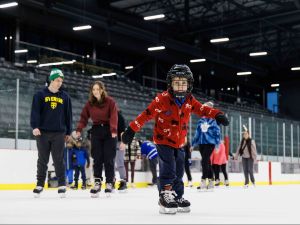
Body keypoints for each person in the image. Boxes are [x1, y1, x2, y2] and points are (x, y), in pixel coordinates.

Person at [122, 64, 229, 214]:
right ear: (170, 84)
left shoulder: (189, 100)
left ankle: (177, 196)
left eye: (183, 83)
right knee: (169, 168)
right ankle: (165, 195)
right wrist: (132, 129)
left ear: (189, 84)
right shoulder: (162, 99)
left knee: (179, 170)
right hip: (163, 140)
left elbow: (202, 109)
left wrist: (217, 114)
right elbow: (146, 114)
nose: (180, 86)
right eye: (177, 82)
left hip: (180, 143)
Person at [30, 68, 73, 198]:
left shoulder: (65, 97)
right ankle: (39, 184)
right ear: (51, 80)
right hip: (42, 132)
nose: (60, 83)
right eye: (57, 80)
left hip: (59, 133)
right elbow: (35, 112)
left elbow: (68, 116)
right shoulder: (40, 95)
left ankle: (61, 185)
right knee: (42, 159)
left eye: (61, 81)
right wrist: (35, 126)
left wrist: (68, 131)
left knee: (59, 159)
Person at [76, 80, 118, 197]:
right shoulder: (90, 104)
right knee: (97, 157)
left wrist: (114, 129)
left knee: (109, 158)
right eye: (93, 89)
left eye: (98, 89)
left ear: (102, 90)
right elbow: (84, 118)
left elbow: (114, 116)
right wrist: (79, 129)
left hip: (110, 131)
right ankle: (98, 182)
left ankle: (109, 182)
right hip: (96, 131)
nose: (95, 91)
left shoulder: (110, 102)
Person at [192, 101, 221, 191]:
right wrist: (193, 144)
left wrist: (217, 145)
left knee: (204, 161)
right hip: (201, 144)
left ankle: (203, 180)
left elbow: (217, 133)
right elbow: (197, 133)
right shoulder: (201, 120)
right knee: (207, 162)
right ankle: (211, 181)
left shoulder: (214, 120)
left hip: (210, 143)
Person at [115, 110, 127, 192]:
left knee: (119, 162)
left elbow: (123, 131)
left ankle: (123, 181)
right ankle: (111, 180)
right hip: (110, 142)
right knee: (110, 162)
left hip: (119, 142)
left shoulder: (120, 117)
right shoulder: (108, 116)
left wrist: (123, 142)